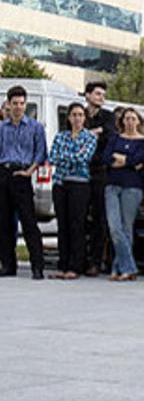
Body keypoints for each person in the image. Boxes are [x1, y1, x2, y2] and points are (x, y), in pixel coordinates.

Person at [0, 86, 48, 280]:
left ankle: (38, 266)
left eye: (22, 103)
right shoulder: (2, 127)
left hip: (23, 175)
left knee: (29, 222)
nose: (18, 107)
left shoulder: (35, 127)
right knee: (3, 222)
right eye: (15, 103)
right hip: (3, 173)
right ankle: (8, 264)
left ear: (25, 104)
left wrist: (29, 171)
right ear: (8, 105)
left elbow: (41, 152)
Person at [101, 106, 144, 281]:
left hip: (132, 187)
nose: (130, 121)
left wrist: (124, 160)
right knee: (114, 227)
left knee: (126, 228)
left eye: (133, 118)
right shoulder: (115, 138)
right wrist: (129, 162)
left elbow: (140, 160)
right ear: (122, 121)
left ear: (138, 121)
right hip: (113, 186)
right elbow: (106, 158)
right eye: (126, 118)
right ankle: (129, 266)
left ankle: (119, 268)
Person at [48, 102, 97, 279]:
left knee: (77, 225)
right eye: (74, 115)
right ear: (68, 117)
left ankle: (75, 266)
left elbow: (84, 158)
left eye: (80, 115)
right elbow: (52, 157)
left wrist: (66, 157)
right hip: (60, 184)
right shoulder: (61, 136)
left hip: (80, 184)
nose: (77, 118)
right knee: (63, 226)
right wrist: (72, 157)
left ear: (85, 118)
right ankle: (62, 264)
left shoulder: (90, 137)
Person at [82, 80, 116, 276]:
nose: (101, 98)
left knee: (99, 218)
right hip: (81, 170)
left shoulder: (108, 116)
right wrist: (93, 133)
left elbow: (109, 135)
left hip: (100, 171)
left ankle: (96, 260)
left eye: (103, 94)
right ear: (87, 95)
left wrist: (92, 133)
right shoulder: (80, 114)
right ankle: (79, 259)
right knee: (80, 217)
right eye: (97, 94)